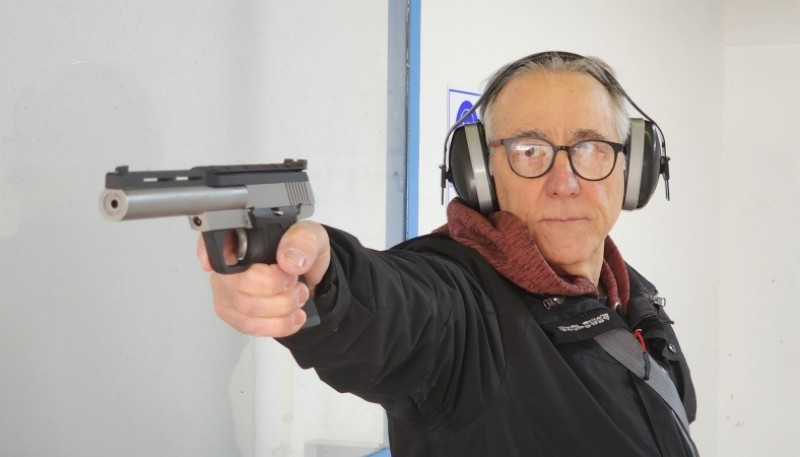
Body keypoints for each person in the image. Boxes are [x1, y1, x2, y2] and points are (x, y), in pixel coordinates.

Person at [198, 51, 698, 456]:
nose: (564, 183)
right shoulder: (460, 310)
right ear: (481, 174)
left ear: (632, 169)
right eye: (529, 151)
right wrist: (317, 278)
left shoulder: (630, 294)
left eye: (590, 148)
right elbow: (388, 306)